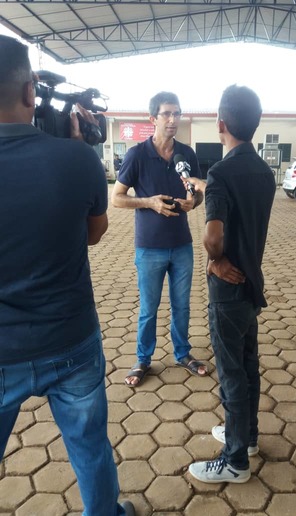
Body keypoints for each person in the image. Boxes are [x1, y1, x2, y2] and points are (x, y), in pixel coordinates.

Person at [0, 36, 135, 516]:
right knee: (90, 448)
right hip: (71, 341)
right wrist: (72, 158)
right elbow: (94, 234)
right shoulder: (77, 159)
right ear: (30, 91)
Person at [186, 85, 276, 483]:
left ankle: (235, 460)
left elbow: (213, 237)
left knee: (231, 372)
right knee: (249, 366)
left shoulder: (220, 173)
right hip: (252, 285)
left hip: (227, 291)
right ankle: (248, 435)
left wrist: (215, 260)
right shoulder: (264, 172)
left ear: (220, 123)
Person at [111, 91, 206, 386]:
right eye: (167, 113)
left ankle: (183, 353)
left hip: (182, 245)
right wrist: (148, 202)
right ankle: (142, 359)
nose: (173, 119)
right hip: (149, 247)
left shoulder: (186, 155)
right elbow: (116, 198)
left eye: (177, 113)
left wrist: (195, 202)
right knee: (148, 308)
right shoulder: (137, 155)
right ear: (153, 118)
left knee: (182, 305)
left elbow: (199, 193)